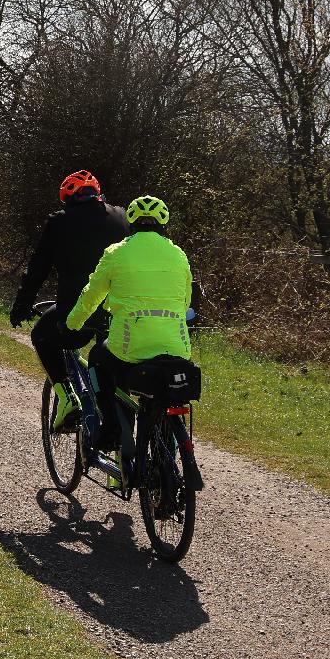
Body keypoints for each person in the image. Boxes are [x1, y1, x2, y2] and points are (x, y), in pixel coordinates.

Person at [65, 194, 202, 486]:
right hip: (176, 346)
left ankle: (112, 429)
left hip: (130, 347)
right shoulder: (178, 254)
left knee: (98, 360)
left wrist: (72, 322)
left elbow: (92, 294)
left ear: (131, 222)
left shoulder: (117, 252)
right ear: (164, 223)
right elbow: (186, 301)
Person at [7, 170, 129, 424]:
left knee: (41, 336)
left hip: (76, 311)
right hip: (120, 311)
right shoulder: (123, 216)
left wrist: (22, 304)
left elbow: (38, 269)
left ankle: (67, 397)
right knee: (112, 366)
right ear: (97, 194)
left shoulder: (59, 221)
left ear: (68, 198)